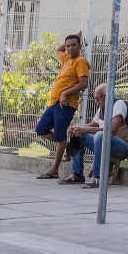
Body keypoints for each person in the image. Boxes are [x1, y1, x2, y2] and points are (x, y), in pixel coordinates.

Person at [36, 34, 89, 180]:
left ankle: (54, 170)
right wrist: (73, 36)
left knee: (60, 137)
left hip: (65, 105)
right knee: (41, 129)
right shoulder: (66, 59)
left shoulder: (80, 61)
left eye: (74, 45)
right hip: (54, 103)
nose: (70, 48)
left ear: (79, 46)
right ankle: (64, 143)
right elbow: (57, 49)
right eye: (68, 46)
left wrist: (65, 93)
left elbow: (83, 84)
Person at [69, 84, 128, 189]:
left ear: (108, 95)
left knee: (101, 135)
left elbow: (112, 131)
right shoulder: (102, 108)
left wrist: (86, 129)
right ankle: (77, 175)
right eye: (95, 98)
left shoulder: (118, 104)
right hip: (105, 141)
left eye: (98, 98)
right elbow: (92, 125)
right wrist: (77, 128)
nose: (96, 101)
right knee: (78, 135)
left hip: (124, 146)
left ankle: (98, 177)